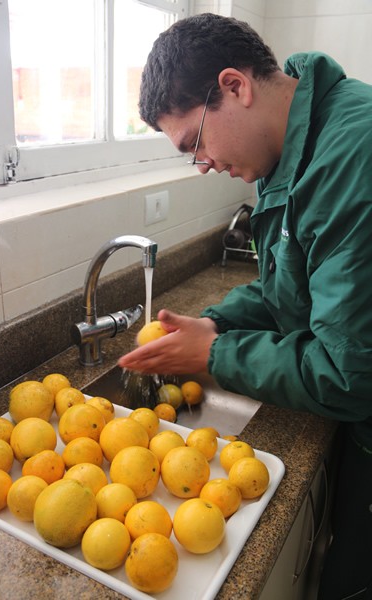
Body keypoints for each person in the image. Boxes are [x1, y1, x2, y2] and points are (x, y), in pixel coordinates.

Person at [118, 13, 372, 599]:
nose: (203, 164)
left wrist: (214, 352)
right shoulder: (291, 151)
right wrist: (216, 321)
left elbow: (346, 373)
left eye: (195, 142)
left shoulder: (352, 157)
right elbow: (289, 286)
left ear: (235, 86)